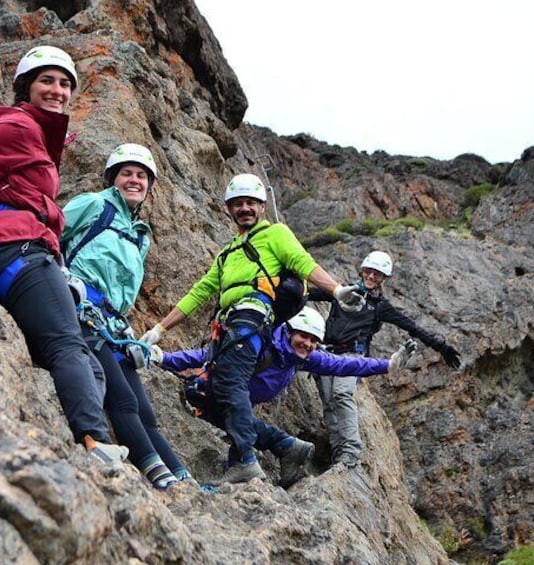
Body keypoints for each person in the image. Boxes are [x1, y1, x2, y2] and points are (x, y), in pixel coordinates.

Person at [0, 45, 128, 463]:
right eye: (46, 81)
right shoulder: (19, 126)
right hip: (18, 252)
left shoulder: (27, 132)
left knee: (87, 363)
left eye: (65, 83)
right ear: (26, 88)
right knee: (69, 347)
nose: (57, 90)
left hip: (13, 255)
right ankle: (94, 442)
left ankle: (80, 438)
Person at [140, 172, 364, 483]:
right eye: (238, 203)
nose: (244, 208)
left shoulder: (275, 234)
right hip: (230, 324)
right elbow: (200, 292)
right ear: (229, 209)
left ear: (261, 206)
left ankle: (245, 460)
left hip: (252, 317)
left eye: (251, 203)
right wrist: (160, 329)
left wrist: (336, 289)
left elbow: (303, 262)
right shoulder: (227, 253)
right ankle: (284, 447)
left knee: (231, 385)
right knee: (218, 390)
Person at [150, 306, 414, 485]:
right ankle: (286, 446)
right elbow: (206, 355)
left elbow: (344, 364)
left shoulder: (300, 357)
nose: (308, 344)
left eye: (313, 340)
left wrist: (386, 365)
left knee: (233, 415)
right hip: (228, 393)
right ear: (288, 331)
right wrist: (165, 359)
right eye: (303, 336)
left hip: (239, 401)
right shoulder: (259, 345)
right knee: (203, 396)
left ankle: (278, 449)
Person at [60, 143, 193, 489]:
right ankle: (157, 473)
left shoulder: (139, 236)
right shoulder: (93, 205)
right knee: (120, 396)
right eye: (126, 173)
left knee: (144, 409)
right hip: (81, 305)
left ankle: (182, 475)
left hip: (113, 321)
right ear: (112, 178)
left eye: (141, 175)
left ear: (149, 185)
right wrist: (60, 276)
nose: (134, 180)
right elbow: (50, 232)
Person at [309, 250, 462, 468]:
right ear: (362, 271)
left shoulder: (381, 306)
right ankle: (338, 454)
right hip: (326, 352)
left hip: (353, 354)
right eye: (370, 271)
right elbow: (308, 294)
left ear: (384, 279)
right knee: (330, 404)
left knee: (342, 395)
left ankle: (351, 451)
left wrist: (441, 347)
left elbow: (411, 327)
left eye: (378, 274)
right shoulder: (343, 292)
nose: (372, 277)